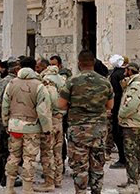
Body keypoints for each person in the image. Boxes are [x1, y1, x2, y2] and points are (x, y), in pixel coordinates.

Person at [59, 51, 114, 194]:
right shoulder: (105, 81)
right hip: (99, 129)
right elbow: (110, 106)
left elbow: (61, 104)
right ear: (94, 63)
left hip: (78, 130)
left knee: (79, 166)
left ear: (79, 63)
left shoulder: (72, 81)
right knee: (97, 165)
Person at [2, 56, 52, 194]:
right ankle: (27, 189)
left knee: (13, 156)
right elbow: (43, 111)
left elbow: (5, 106)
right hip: (31, 127)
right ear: (34, 67)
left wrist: (6, 123)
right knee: (29, 158)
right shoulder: (39, 85)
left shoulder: (11, 83)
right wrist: (47, 129)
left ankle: (9, 187)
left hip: (14, 126)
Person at [117, 62, 140, 192]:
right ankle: (134, 178)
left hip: (131, 122)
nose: (124, 72)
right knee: (135, 151)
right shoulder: (137, 83)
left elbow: (131, 104)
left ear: (130, 71)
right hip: (134, 121)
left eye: (126, 70)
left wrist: (121, 114)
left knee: (130, 153)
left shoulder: (135, 85)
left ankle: (133, 183)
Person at [36, 60, 66, 191]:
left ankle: (49, 182)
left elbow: (52, 99)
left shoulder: (47, 81)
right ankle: (58, 179)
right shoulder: (63, 79)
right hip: (60, 119)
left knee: (47, 152)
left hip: (51, 119)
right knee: (58, 151)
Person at [0, 58, 21, 188]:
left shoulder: (1, 81)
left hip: (1, 117)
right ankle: (7, 177)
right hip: (11, 119)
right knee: (10, 149)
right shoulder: (15, 82)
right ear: (16, 69)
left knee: (2, 147)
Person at [108, 54, 127, 169]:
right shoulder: (126, 73)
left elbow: (115, 94)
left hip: (117, 108)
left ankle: (122, 159)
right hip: (126, 106)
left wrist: (111, 108)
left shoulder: (115, 75)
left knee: (117, 133)